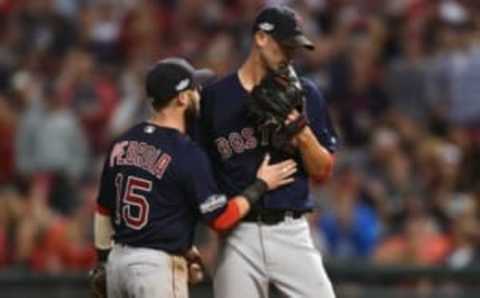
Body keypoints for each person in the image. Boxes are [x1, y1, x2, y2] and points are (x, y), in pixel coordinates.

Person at [91, 57, 298, 298]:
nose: (199, 95)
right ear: (181, 98)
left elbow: (103, 210)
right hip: (154, 269)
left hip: (118, 265)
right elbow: (221, 219)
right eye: (194, 90)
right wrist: (261, 185)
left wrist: (103, 262)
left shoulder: (123, 141)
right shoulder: (186, 152)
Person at [199, 6, 337, 298]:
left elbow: (323, 171)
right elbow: (199, 173)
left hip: (291, 230)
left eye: (295, 47)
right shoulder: (214, 98)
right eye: (285, 45)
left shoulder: (306, 94)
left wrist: (301, 130)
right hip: (237, 234)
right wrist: (201, 235)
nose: (290, 54)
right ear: (261, 38)